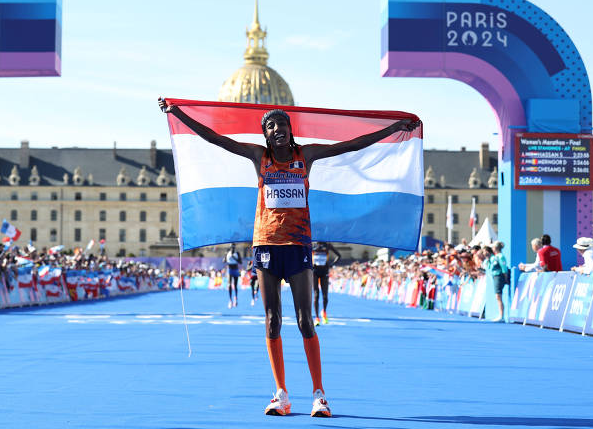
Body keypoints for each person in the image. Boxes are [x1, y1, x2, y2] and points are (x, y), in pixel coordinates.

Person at [159, 97, 418, 417]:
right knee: (272, 321)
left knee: (305, 320)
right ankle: (280, 393)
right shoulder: (259, 156)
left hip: (298, 246)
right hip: (266, 246)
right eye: (271, 126)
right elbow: (217, 139)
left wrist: (393, 128)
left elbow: (352, 145)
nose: (278, 129)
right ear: (265, 134)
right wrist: (179, 114)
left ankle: (319, 393)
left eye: (282, 124)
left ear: (290, 130)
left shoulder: (305, 155)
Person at [312, 241, 341, 326]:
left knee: (325, 296)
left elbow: (339, 256)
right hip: (315, 272)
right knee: (316, 295)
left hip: (324, 272)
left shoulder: (327, 245)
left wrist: (331, 265)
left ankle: (324, 313)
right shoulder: (313, 245)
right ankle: (317, 318)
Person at [482, 241, 509, 322]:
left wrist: (505, 278)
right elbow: (488, 266)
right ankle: (500, 315)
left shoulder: (500, 256)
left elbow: (504, 267)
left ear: (496, 248)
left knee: (498, 296)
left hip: (499, 276)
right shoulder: (493, 257)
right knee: (498, 296)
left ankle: (502, 316)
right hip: (495, 276)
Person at [225, 243, 242, 308]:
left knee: (235, 285)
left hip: (235, 270)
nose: (232, 248)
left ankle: (236, 298)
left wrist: (234, 257)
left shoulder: (237, 253)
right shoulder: (227, 253)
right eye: (231, 247)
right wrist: (225, 256)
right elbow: (224, 260)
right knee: (229, 285)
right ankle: (230, 300)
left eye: (233, 247)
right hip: (229, 270)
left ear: (235, 247)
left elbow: (240, 262)